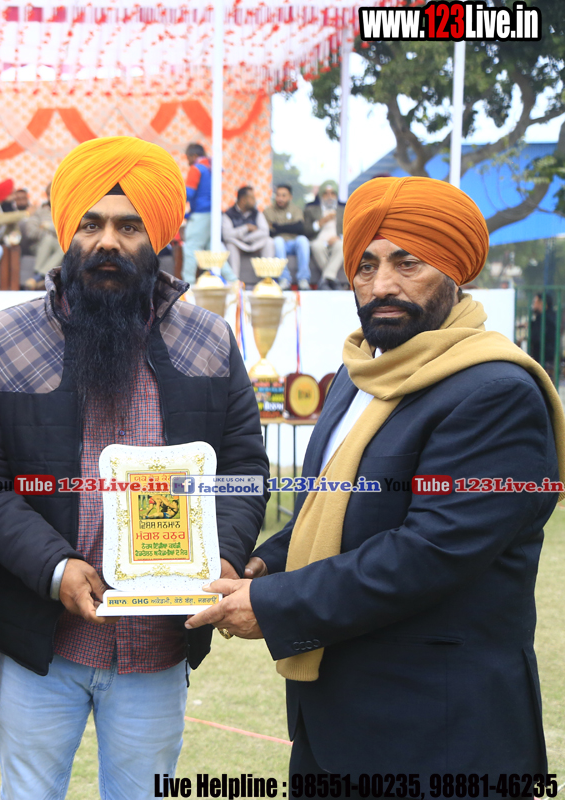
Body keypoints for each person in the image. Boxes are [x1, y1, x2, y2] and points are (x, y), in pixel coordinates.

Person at [189, 176, 564, 777]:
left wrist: (275, 603)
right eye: (365, 266)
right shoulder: (359, 372)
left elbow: (430, 551)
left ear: (454, 270)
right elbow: (331, 505)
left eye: (407, 263)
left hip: (441, 730)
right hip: (332, 720)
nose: (382, 284)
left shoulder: (496, 392)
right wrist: (263, 564)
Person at [0, 136, 268, 798]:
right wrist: (55, 568)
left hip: (159, 643)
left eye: (129, 227)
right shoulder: (2, 341)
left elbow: (243, 467)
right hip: (43, 641)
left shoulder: (210, 341)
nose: (107, 242)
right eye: (91, 224)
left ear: (158, 239)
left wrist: (224, 557)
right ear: (68, 232)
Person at [183, 142, 230, 283]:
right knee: (214, 250)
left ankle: (188, 285)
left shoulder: (196, 168)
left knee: (190, 248)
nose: (187, 162)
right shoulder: (212, 167)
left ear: (194, 156)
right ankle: (234, 281)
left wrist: (173, 200)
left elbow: (189, 193)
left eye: (188, 158)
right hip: (213, 214)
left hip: (201, 214)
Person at [263, 184, 310, 290]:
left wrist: (277, 226)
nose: (280, 198)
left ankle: (303, 279)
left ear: (290, 197)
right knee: (278, 241)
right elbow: (269, 232)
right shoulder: (268, 211)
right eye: (278, 195)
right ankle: (284, 279)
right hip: (279, 244)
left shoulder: (296, 209)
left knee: (303, 240)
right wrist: (289, 227)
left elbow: (299, 228)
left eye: (284, 195)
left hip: (294, 242)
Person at [221, 186, 272, 284]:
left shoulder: (256, 213)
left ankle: (267, 279)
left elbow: (265, 231)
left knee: (269, 242)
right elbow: (227, 235)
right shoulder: (228, 214)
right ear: (243, 200)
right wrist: (246, 228)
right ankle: (234, 282)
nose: (255, 200)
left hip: (254, 244)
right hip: (238, 244)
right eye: (252, 198)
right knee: (230, 244)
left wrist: (247, 237)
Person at [304, 180, 346, 289]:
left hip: (336, 241)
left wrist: (339, 237)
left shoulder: (344, 210)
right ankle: (331, 279)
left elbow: (351, 229)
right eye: (326, 194)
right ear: (321, 195)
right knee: (316, 245)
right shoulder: (311, 209)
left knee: (342, 245)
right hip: (318, 241)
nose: (329, 197)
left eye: (332, 193)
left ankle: (325, 280)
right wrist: (320, 222)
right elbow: (306, 231)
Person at [21, 183, 63, 290]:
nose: (52, 197)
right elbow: (31, 232)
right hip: (39, 245)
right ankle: (40, 277)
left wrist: (47, 227)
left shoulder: (65, 211)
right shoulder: (39, 212)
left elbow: (67, 231)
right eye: (50, 194)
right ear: (47, 195)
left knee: (63, 247)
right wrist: (52, 232)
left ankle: (37, 277)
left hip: (60, 245)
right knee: (48, 239)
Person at [528, 292, 559, 375]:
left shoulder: (543, 319)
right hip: (549, 357)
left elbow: (536, 337)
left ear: (542, 303)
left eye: (535, 302)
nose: (533, 305)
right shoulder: (552, 316)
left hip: (544, 357)